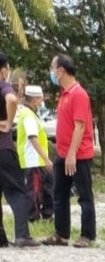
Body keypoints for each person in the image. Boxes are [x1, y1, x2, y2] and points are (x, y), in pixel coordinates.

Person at [42, 54, 96, 248]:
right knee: (59, 194)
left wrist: (72, 153)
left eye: (52, 68)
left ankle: (87, 235)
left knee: (84, 195)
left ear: (61, 70)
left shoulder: (78, 94)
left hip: (78, 155)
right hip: (62, 153)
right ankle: (61, 233)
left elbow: (80, 126)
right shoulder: (64, 94)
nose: (52, 72)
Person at [0, 57, 39, 247]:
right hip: (3, 149)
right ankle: (22, 235)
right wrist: (8, 122)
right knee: (18, 192)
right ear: (4, 71)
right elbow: (12, 99)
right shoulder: (3, 86)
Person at [16, 84, 51, 223]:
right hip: (33, 160)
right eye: (40, 99)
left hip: (34, 160)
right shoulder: (29, 116)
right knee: (34, 191)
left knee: (37, 189)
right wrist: (45, 158)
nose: (41, 102)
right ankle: (33, 218)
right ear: (35, 100)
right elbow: (32, 137)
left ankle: (37, 216)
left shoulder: (28, 113)